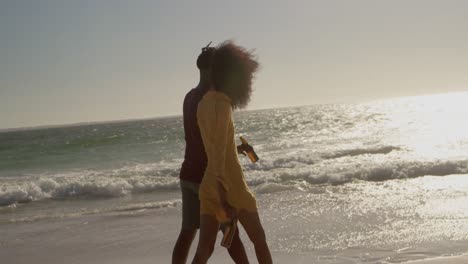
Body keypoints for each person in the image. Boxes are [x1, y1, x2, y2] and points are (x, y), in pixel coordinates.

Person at [192, 41, 273, 264]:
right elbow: (218, 154)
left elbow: (215, 147)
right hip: (230, 187)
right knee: (259, 240)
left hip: (209, 185)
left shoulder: (203, 104)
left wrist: (238, 150)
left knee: (204, 250)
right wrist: (224, 198)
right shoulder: (223, 105)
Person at [172, 43, 251, 264]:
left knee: (187, 234)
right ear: (209, 70)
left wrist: (235, 149)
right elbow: (211, 147)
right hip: (206, 180)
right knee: (230, 235)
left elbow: (201, 142)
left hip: (188, 176)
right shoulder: (209, 100)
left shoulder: (189, 97)